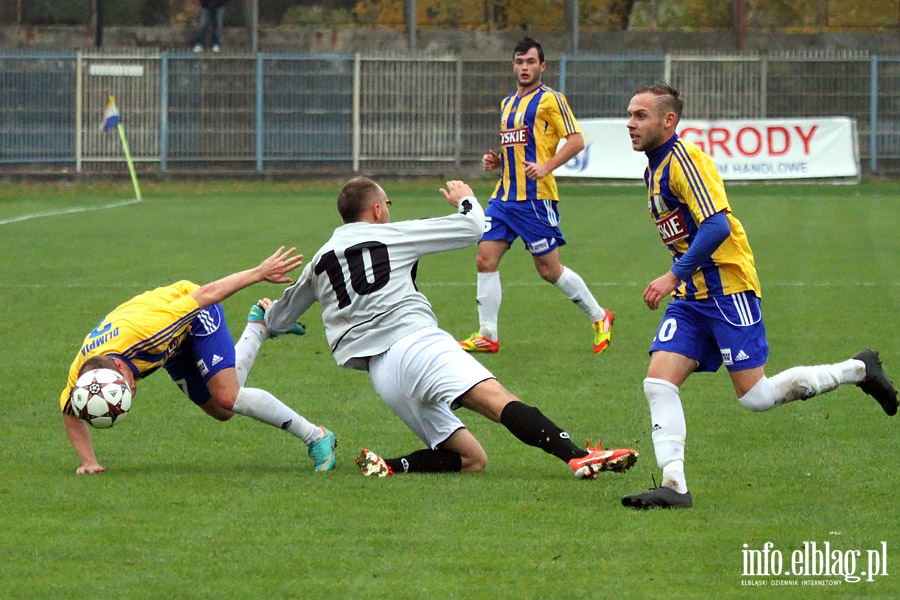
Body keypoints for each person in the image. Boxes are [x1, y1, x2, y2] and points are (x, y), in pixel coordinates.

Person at [621, 83, 898, 509]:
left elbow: (717, 226)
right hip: (693, 297)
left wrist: (672, 275)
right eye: (630, 114)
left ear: (668, 120)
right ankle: (674, 486)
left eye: (640, 115)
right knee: (658, 382)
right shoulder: (652, 168)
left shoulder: (684, 160)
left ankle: (858, 369)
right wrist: (681, 280)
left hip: (727, 289)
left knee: (757, 397)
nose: (630, 123)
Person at [261, 176, 638, 478]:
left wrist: (268, 310)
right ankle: (579, 457)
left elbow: (278, 320)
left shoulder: (319, 260)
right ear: (376, 210)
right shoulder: (393, 235)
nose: (389, 211)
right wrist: (465, 196)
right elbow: (475, 226)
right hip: (416, 344)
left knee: (471, 459)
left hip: (383, 376)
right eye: (388, 204)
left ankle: (390, 465)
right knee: (496, 400)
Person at [60, 247, 338, 475]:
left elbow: (205, 294)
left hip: (195, 315)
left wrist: (258, 272)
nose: (130, 393)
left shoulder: (151, 331)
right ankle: (259, 326)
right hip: (170, 347)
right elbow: (70, 410)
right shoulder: (85, 373)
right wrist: (89, 462)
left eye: (126, 388)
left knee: (227, 396)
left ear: (120, 366)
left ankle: (316, 436)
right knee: (223, 411)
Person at [458, 36, 613, 355]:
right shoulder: (507, 103)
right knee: (484, 259)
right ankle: (488, 334)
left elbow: (576, 140)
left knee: (549, 270)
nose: (524, 67)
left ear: (542, 66)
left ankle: (600, 317)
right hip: (503, 197)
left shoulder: (551, 100)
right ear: (513, 65)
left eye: (530, 62)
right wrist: (498, 162)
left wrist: (547, 166)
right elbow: (515, 146)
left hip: (534, 199)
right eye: (519, 62)